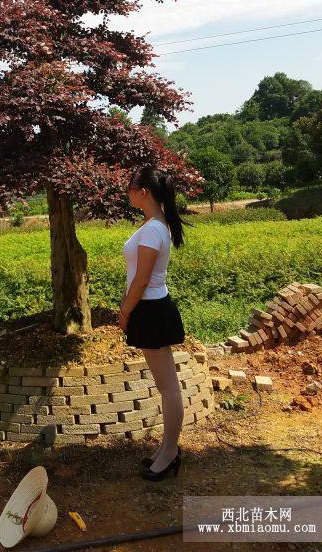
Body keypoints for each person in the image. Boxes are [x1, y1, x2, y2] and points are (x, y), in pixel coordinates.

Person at [118, 165, 188, 481]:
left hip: (150, 310)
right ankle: (166, 449)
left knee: (168, 387)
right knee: (166, 385)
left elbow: (142, 280)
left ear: (142, 192)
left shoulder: (152, 230)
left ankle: (170, 452)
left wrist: (124, 312)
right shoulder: (156, 225)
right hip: (154, 308)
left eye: (130, 188)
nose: (127, 193)